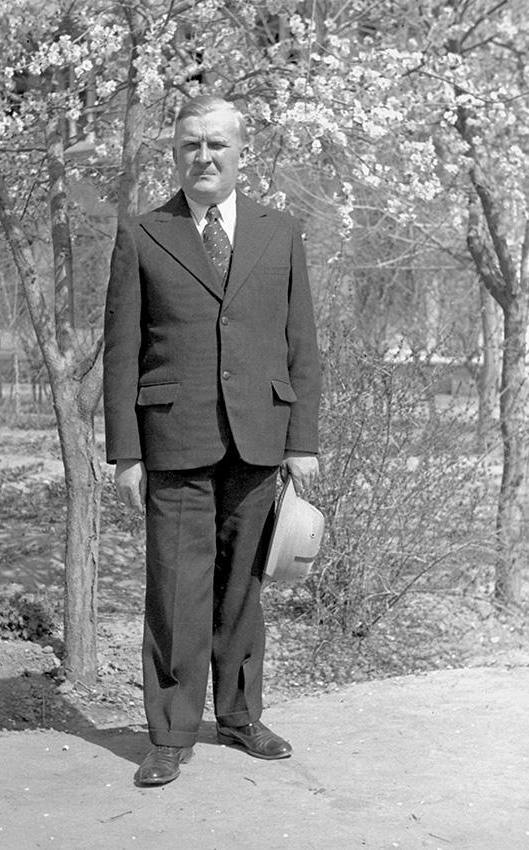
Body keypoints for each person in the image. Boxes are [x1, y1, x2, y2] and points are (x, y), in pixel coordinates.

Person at [102, 95, 321, 787]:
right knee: (176, 590)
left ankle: (240, 716)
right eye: (190, 145)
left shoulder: (280, 233)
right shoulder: (144, 234)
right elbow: (121, 352)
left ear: (240, 152)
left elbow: (301, 343)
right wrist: (127, 453)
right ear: (175, 154)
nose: (204, 157)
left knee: (242, 588)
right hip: (173, 438)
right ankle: (170, 734)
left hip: (260, 437)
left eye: (216, 144)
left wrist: (303, 441)